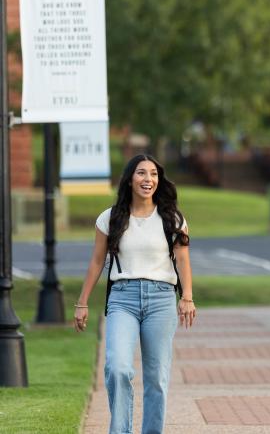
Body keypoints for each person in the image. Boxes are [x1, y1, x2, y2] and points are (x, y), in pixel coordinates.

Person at [74, 154, 196, 434]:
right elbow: (96, 261)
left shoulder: (172, 218)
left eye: (153, 174)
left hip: (161, 299)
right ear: (130, 179)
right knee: (117, 368)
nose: (148, 179)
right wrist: (82, 303)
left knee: (156, 378)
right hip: (122, 298)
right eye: (142, 173)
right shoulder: (110, 218)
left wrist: (186, 297)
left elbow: (183, 261)